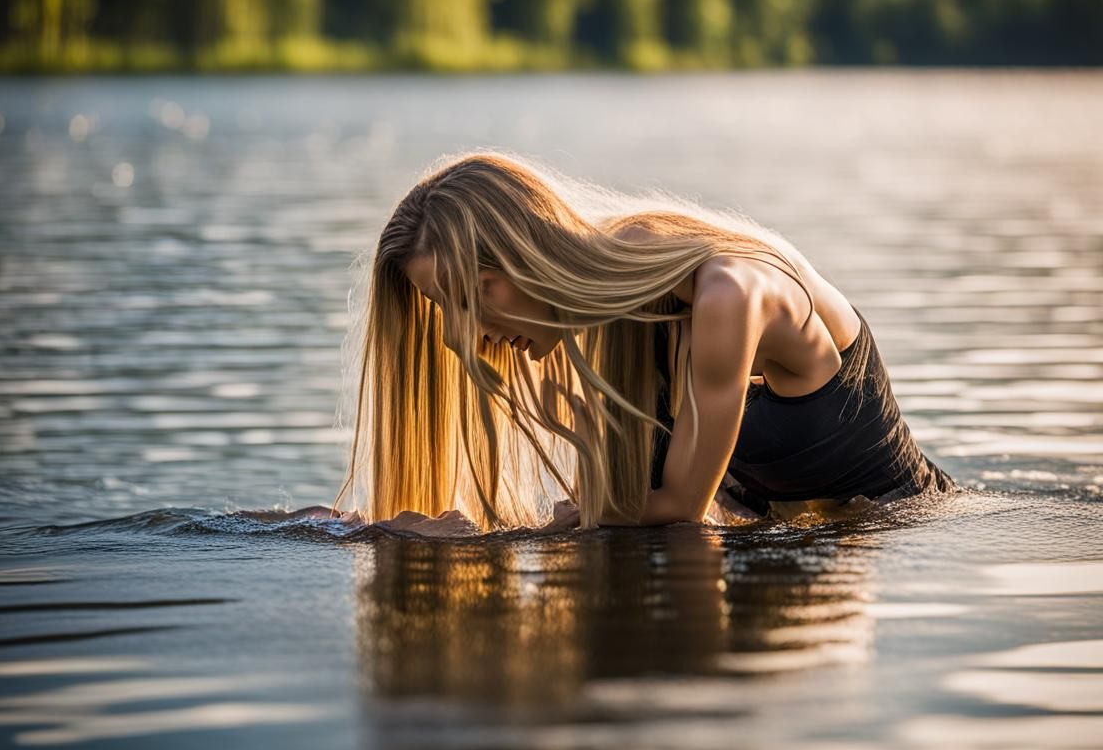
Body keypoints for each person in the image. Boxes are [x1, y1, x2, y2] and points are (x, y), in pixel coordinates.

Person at [331, 150, 954, 533]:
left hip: (898, 533)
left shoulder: (727, 295)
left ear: (523, 264)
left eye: (467, 300)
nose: (454, 337)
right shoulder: (625, 299)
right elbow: (634, 510)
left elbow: (680, 506)